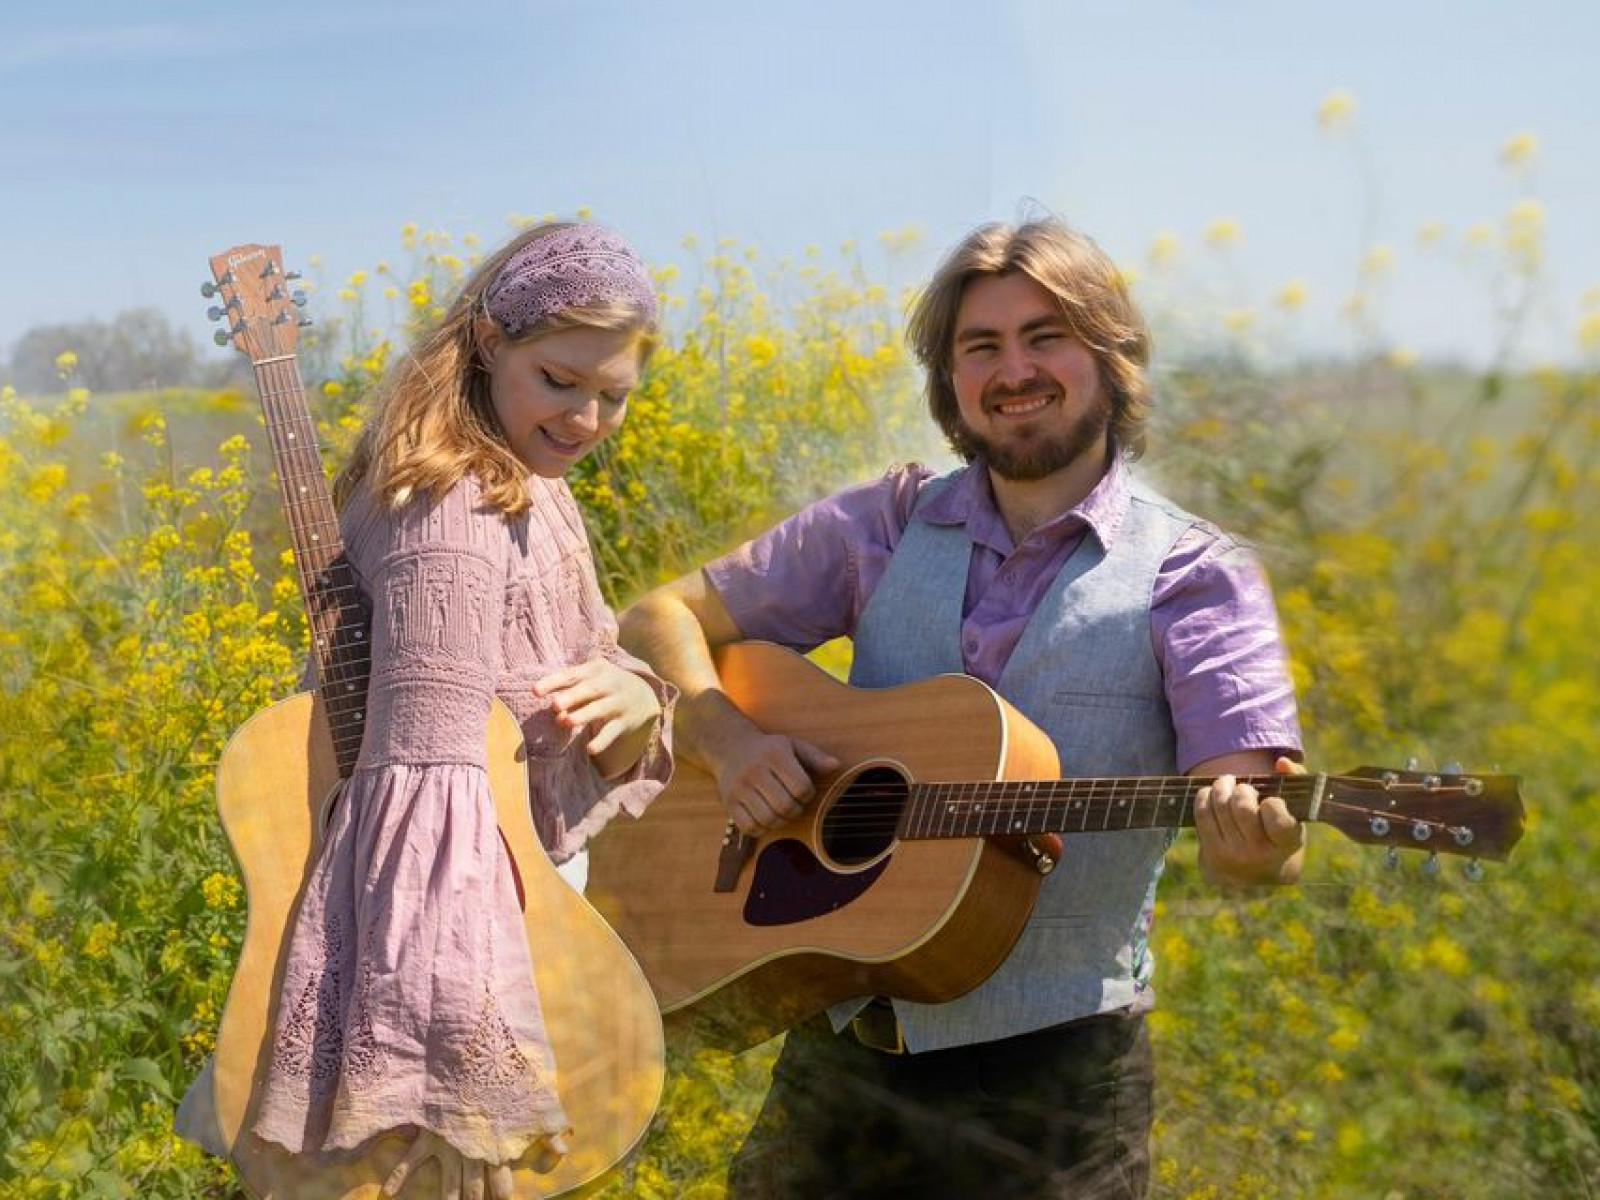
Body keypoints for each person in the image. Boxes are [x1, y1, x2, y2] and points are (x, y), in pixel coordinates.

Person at [617, 215, 1305, 1199]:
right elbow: (658, 617)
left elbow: (1259, 819)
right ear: (949, 382)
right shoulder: (885, 522)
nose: (1012, 368)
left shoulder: (1197, 573)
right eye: (980, 346)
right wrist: (724, 737)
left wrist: (1261, 843)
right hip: (844, 1058)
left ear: (1109, 357)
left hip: (1056, 1091)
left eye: (1045, 336)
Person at [175, 221, 675, 1199]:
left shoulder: (524, 477)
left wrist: (633, 698)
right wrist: (448, 1082)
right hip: (448, 961)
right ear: (490, 344)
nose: (585, 417)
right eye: (561, 380)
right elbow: (425, 824)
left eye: (612, 395)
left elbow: (587, 653)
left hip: (509, 915)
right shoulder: (454, 515)